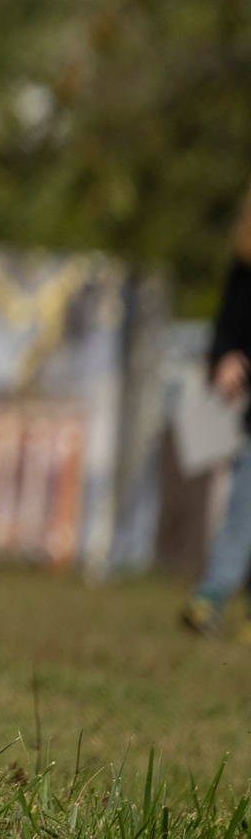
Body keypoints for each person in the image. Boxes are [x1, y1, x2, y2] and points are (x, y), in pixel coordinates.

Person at [182, 184, 251, 640]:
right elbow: (225, 329)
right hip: (247, 408)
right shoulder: (243, 270)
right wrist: (226, 358)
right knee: (244, 506)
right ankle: (211, 596)